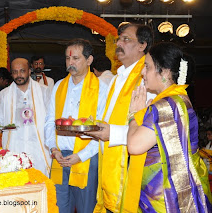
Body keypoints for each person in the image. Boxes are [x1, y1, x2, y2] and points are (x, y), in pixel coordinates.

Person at [127, 42, 212, 212]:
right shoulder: (180, 98)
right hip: (180, 186)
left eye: (147, 67)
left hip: (165, 196)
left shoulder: (167, 105)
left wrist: (134, 116)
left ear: (164, 72)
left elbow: (134, 146)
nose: (143, 72)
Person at [87, 23, 155, 212]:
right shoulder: (118, 78)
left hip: (133, 165)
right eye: (119, 39)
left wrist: (111, 133)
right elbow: (108, 119)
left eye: (126, 39)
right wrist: (93, 129)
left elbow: (150, 130)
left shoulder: (147, 79)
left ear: (142, 45)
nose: (119, 43)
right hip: (109, 165)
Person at [44, 38, 108, 213]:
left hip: (86, 159)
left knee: (86, 209)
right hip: (60, 157)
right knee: (58, 208)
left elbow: (102, 129)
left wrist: (81, 155)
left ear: (89, 60)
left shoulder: (101, 89)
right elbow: (50, 121)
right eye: (67, 58)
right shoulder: (59, 86)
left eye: (75, 58)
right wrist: (53, 149)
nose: (70, 63)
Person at [0, 58, 52, 177]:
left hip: (38, 148)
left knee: (40, 185)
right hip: (15, 147)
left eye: (22, 71)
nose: (18, 75)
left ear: (29, 71)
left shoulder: (43, 91)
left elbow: (51, 118)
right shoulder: (4, 95)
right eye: (15, 72)